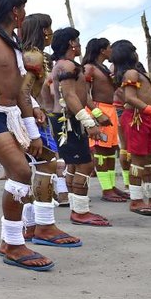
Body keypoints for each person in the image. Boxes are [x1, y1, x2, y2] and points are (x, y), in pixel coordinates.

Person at [0, 0, 80, 273]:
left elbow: (19, 88)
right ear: (15, 11)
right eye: (23, 8)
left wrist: (33, 109)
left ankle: (42, 226)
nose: (25, 13)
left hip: (17, 114)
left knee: (47, 160)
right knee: (21, 172)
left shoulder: (13, 42)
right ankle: (11, 243)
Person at [48, 28, 110, 226]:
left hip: (69, 118)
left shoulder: (67, 65)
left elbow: (82, 95)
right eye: (77, 41)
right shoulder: (67, 66)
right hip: (68, 120)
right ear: (71, 44)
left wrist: (97, 115)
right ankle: (80, 212)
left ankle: (78, 208)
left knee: (75, 164)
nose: (80, 44)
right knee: (85, 164)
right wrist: (89, 122)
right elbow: (70, 96)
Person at [20, 14, 70, 206]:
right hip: (29, 116)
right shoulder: (34, 56)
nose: (51, 32)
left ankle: (36, 211)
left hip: (34, 115)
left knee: (36, 165)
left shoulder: (36, 55)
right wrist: (32, 117)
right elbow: (23, 92)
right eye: (48, 27)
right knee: (46, 164)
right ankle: (40, 215)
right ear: (41, 31)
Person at [112, 41, 151, 214]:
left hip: (144, 118)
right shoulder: (131, 73)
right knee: (138, 161)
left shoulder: (134, 72)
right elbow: (130, 98)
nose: (137, 53)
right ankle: (136, 200)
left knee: (148, 160)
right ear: (129, 54)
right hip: (137, 119)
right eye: (134, 50)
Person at [82, 38, 128, 202]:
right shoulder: (89, 68)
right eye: (109, 48)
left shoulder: (103, 68)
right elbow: (84, 94)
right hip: (99, 110)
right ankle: (106, 189)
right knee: (101, 151)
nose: (111, 51)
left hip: (110, 110)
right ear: (102, 50)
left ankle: (111, 186)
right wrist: (95, 113)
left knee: (109, 151)